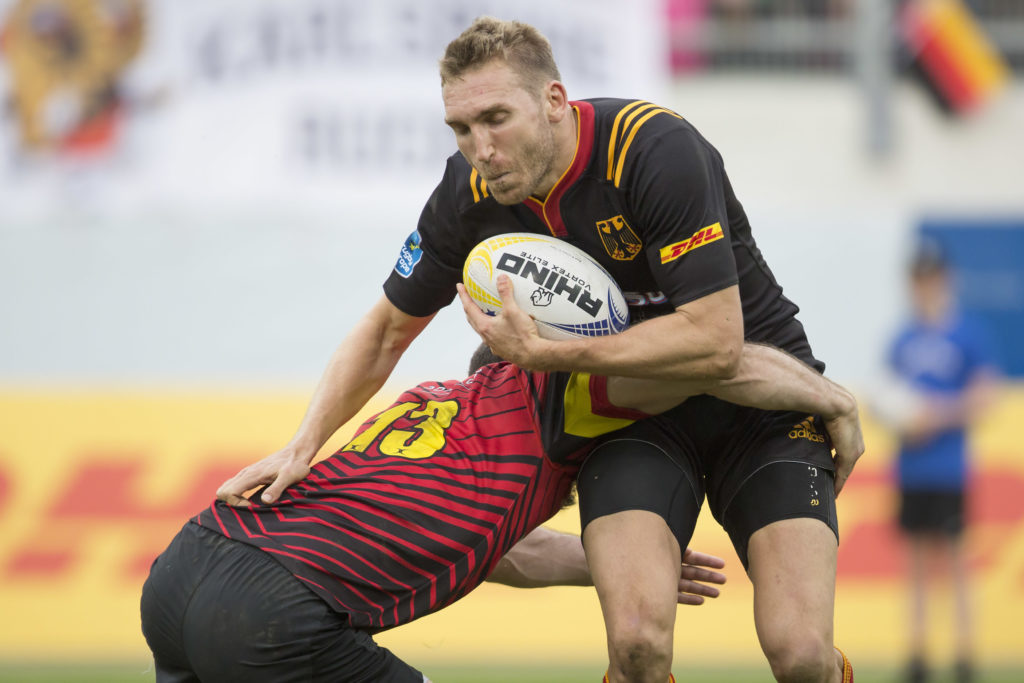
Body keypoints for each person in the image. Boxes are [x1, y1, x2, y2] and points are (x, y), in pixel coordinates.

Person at [216, 17, 865, 683]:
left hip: (763, 401)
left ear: (555, 101)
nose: (480, 148)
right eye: (461, 129)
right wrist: (303, 444)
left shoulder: (651, 150)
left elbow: (717, 345)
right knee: (638, 645)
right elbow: (386, 329)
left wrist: (552, 356)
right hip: (630, 419)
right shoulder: (465, 196)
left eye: (496, 118)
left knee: (800, 652)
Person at [142, 335, 857, 682]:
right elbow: (713, 360)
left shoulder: (433, 401)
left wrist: (606, 564)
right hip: (276, 609)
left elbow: (494, 547)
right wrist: (830, 398)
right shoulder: (554, 397)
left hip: (184, 569)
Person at [884, 239, 999, 683]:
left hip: (948, 467)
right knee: (914, 563)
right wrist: (903, 415)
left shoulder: (968, 333)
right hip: (912, 468)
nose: (924, 287)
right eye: (918, 279)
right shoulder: (903, 337)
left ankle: (964, 652)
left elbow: (985, 395)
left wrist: (938, 414)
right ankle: (918, 651)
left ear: (945, 279)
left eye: (930, 278)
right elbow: (889, 395)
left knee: (954, 561)